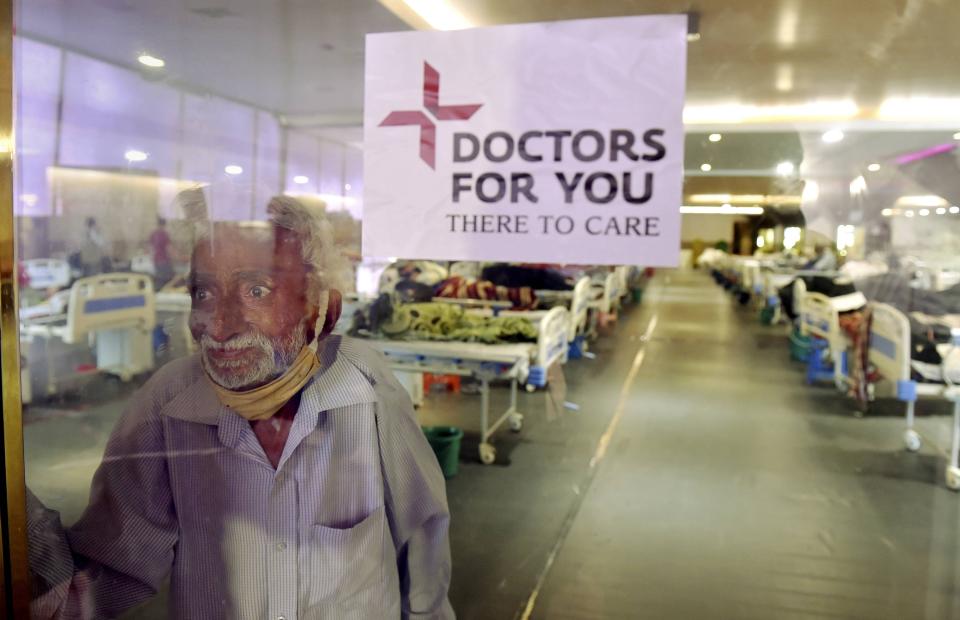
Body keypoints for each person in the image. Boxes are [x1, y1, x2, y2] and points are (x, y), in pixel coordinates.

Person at [27, 195, 454, 619]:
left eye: (256, 290)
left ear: (324, 312)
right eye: (204, 291)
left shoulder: (367, 387)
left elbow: (422, 552)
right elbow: (106, 576)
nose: (218, 323)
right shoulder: (169, 402)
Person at [148, 216, 175, 288]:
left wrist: (152, 258)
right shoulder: (164, 234)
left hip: (156, 260)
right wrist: (174, 257)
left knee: (159, 278)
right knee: (168, 279)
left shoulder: (153, 234)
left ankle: (158, 293)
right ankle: (165, 293)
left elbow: (151, 248)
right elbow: (168, 249)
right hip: (164, 260)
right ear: (164, 225)